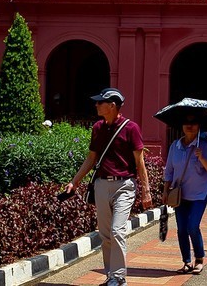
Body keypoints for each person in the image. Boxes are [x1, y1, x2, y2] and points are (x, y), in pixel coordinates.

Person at [63, 88, 153, 286]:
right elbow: (91, 158)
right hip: (101, 185)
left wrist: (146, 191)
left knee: (117, 231)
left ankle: (119, 277)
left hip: (124, 186)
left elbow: (140, 162)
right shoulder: (97, 128)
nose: (96, 105)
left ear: (112, 105)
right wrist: (74, 181)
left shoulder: (131, 128)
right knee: (105, 235)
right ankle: (111, 276)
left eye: (99, 102)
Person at [161, 114, 207, 274]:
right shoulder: (175, 146)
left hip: (199, 194)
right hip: (180, 194)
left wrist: (201, 158)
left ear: (199, 126)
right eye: (186, 122)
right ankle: (186, 261)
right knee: (181, 229)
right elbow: (169, 171)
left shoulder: (204, 146)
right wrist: (165, 191)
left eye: (193, 122)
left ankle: (199, 259)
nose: (189, 125)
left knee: (193, 226)